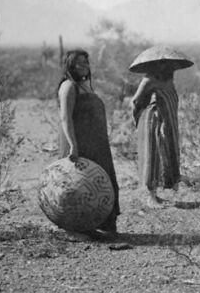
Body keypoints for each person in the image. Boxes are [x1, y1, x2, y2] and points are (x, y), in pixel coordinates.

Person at [57, 49, 119, 238]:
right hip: (80, 143)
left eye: (86, 62)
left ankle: (99, 224)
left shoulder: (85, 86)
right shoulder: (69, 86)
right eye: (79, 63)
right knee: (78, 186)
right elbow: (66, 119)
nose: (85, 66)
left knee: (102, 183)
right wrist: (73, 145)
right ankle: (74, 229)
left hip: (97, 145)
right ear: (70, 66)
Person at [131, 61, 181, 208]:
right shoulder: (148, 79)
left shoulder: (169, 80)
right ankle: (150, 197)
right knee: (151, 155)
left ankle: (155, 194)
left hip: (166, 122)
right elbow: (135, 100)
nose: (167, 67)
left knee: (162, 155)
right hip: (152, 120)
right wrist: (138, 117)